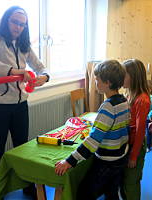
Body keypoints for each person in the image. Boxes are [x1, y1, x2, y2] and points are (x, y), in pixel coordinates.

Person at [0, 5, 49, 197]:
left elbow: (40, 67)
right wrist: (12, 71)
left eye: (23, 24)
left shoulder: (24, 45)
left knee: (23, 146)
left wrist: (44, 77)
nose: (18, 27)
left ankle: (27, 186)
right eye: (15, 22)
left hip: (20, 106)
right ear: (6, 20)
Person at [55, 60, 130, 200]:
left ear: (107, 83)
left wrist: (69, 161)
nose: (95, 82)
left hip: (107, 161)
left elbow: (93, 141)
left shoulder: (108, 107)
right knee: (111, 192)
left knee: (84, 193)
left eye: (97, 79)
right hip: (120, 157)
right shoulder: (123, 101)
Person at [120, 59, 151, 200]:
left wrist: (133, 156)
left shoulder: (142, 100)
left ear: (133, 76)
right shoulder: (129, 94)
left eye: (124, 75)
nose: (121, 78)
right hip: (128, 144)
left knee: (131, 181)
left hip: (136, 147)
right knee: (125, 179)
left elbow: (139, 132)